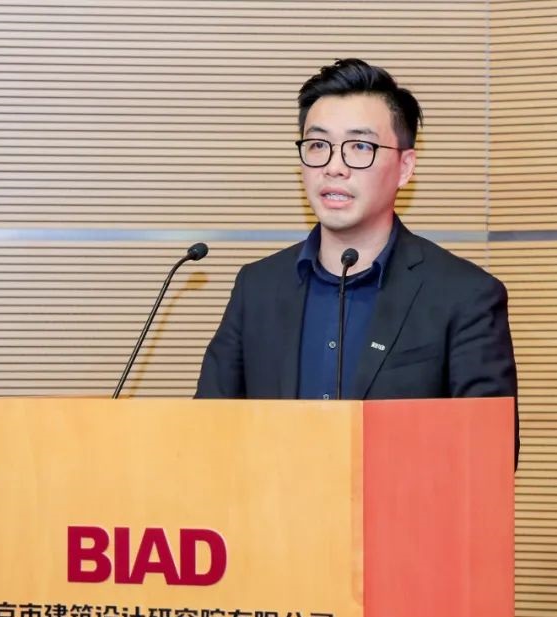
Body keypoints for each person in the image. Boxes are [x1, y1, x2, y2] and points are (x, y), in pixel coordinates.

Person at [195, 58, 518, 456]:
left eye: (360, 147)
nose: (334, 167)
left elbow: (488, 456)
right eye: (318, 145)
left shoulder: (464, 295)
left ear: (405, 167)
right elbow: (205, 436)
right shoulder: (257, 287)